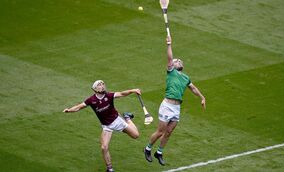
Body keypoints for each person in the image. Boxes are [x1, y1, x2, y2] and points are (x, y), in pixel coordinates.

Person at [144, 35, 206, 165]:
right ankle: (148, 148)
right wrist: (169, 44)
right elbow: (170, 58)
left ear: (182, 66)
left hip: (177, 108)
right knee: (160, 131)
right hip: (167, 105)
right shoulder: (171, 71)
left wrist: (202, 97)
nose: (177, 61)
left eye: (179, 61)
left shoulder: (185, 78)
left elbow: (193, 88)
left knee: (169, 132)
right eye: (176, 61)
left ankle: (159, 152)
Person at [63, 80, 141, 172]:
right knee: (104, 147)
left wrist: (132, 90)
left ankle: (127, 118)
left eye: (103, 84)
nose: (102, 86)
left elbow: (122, 94)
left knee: (136, 135)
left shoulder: (109, 95)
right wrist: (69, 110)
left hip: (117, 121)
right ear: (95, 89)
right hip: (107, 126)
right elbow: (79, 107)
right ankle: (109, 168)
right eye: (99, 85)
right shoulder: (91, 100)